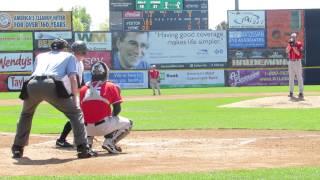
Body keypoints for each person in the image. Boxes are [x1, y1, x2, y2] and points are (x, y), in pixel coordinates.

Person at [11, 39, 97, 159]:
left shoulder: (40, 56)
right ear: (65, 49)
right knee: (76, 113)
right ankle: (83, 148)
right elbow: (73, 78)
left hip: (31, 84)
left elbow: (36, 73)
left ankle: (17, 148)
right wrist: (76, 100)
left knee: (25, 114)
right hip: (51, 84)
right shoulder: (69, 56)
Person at [79, 61, 133, 154]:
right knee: (129, 123)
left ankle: (88, 143)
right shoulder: (110, 86)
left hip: (86, 129)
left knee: (87, 116)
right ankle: (110, 142)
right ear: (105, 73)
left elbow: (80, 110)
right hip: (103, 126)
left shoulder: (83, 89)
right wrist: (110, 123)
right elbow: (117, 109)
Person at [56, 41, 88, 148]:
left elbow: (81, 81)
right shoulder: (71, 60)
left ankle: (62, 139)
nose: (81, 53)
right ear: (74, 51)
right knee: (76, 115)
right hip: (65, 91)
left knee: (76, 115)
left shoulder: (80, 62)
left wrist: (84, 91)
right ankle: (65, 139)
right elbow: (75, 80)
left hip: (72, 91)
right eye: (78, 51)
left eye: (82, 51)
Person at [286, 33, 304, 98]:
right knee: (291, 78)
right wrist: (290, 45)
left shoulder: (299, 44)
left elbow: (298, 53)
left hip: (297, 62)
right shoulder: (290, 44)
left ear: (296, 37)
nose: (293, 38)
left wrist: (293, 47)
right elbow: (286, 51)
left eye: (294, 37)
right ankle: (291, 92)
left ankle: (301, 92)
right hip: (291, 62)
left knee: (299, 77)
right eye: (292, 37)